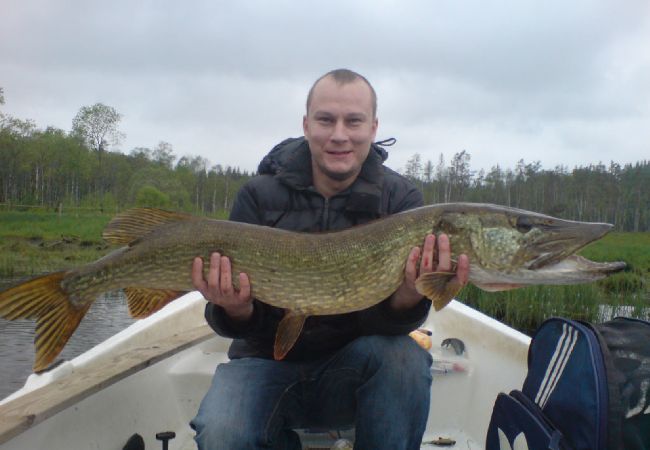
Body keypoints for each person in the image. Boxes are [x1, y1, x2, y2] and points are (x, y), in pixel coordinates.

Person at [189, 68, 470, 450]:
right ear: (306, 125)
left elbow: (386, 327)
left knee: (403, 362)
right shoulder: (257, 195)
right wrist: (235, 309)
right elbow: (238, 326)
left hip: (352, 370)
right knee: (223, 431)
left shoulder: (400, 202)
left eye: (353, 121)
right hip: (263, 365)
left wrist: (408, 296)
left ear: (373, 127)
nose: (339, 134)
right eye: (326, 120)